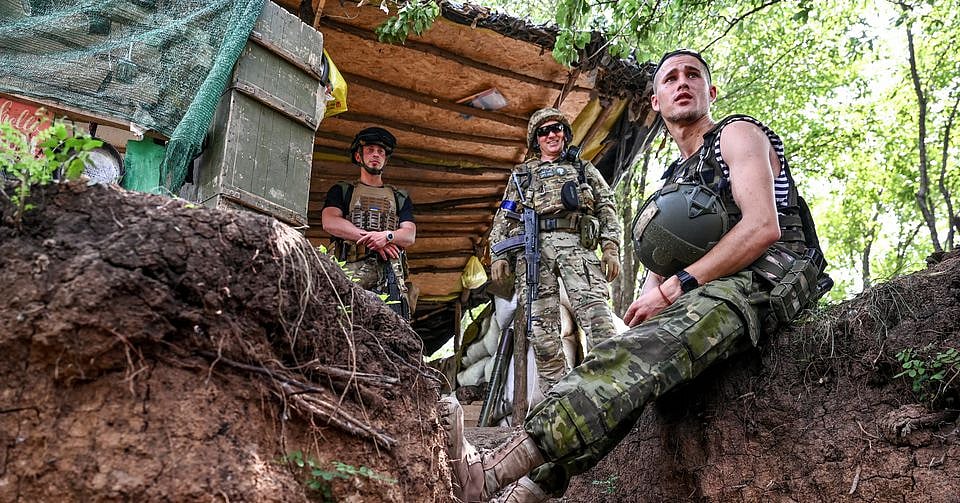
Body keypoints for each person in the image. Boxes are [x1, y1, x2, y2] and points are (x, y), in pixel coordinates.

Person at [442, 49, 830, 502]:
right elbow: (663, 260)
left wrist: (671, 288)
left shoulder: (736, 134)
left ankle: (487, 472)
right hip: (705, 288)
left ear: (711, 91)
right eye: (670, 78)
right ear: (656, 101)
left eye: (692, 75)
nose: (682, 82)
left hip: (764, 279)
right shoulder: (673, 178)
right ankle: (522, 493)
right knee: (622, 365)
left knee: (633, 357)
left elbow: (763, 226)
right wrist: (648, 302)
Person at [487, 107, 622, 397]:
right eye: (544, 131)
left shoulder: (584, 169)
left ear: (565, 134)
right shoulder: (522, 175)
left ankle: (609, 394)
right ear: (536, 139)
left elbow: (607, 207)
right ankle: (560, 401)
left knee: (599, 321)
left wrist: (610, 247)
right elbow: (505, 216)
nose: (551, 135)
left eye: (556, 129)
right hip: (533, 253)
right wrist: (498, 254)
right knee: (542, 335)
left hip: (578, 247)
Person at [322, 127, 417, 319]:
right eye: (370, 150)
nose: (376, 155)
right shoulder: (343, 190)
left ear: (385, 160)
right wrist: (372, 239)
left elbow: (409, 234)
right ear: (358, 156)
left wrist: (387, 236)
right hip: (349, 272)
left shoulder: (399, 197)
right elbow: (330, 221)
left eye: (381, 152)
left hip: (390, 276)